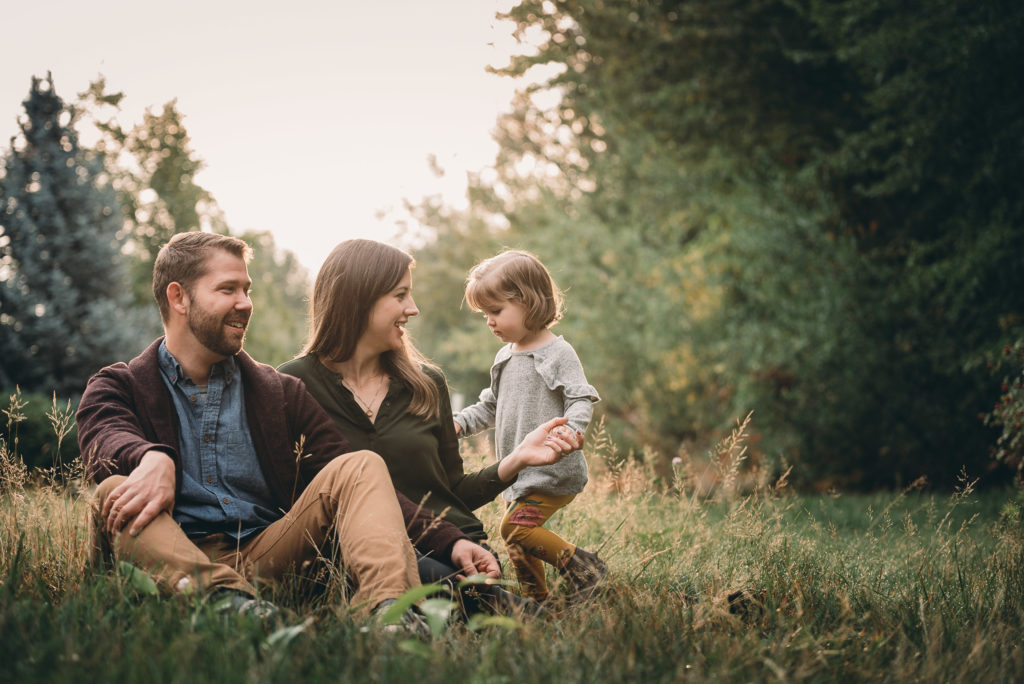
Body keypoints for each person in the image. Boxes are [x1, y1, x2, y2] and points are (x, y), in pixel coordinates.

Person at [76, 231, 499, 630]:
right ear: (178, 297)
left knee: (361, 465)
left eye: (247, 290)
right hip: (170, 552)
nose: (245, 303)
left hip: (269, 553)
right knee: (115, 488)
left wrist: (449, 542)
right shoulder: (119, 384)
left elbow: (358, 483)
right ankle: (228, 604)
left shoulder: (279, 392)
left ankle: (390, 615)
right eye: (228, 289)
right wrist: (152, 457)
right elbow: (103, 437)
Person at [278, 239, 584, 616]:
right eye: (400, 295)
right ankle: (520, 614)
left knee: (451, 578)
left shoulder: (426, 384)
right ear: (359, 298)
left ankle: (483, 605)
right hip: (357, 550)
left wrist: (517, 460)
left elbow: (451, 492)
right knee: (414, 573)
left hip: (454, 547)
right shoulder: (295, 385)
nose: (413, 308)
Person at [453, 249, 605, 603]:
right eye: (485, 314)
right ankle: (536, 603)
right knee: (517, 541)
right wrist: (458, 424)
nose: (489, 321)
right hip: (519, 473)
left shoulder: (558, 353)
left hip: (552, 470)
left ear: (529, 302)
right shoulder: (505, 355)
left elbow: (580, 398)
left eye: (495, 311)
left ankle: (586, 569)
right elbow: (490, 406)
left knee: (515, 528)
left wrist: (571, 430)